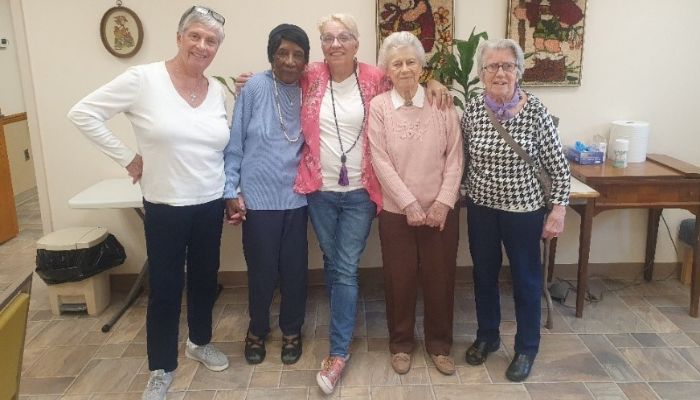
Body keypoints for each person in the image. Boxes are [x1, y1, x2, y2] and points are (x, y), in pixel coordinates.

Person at [68, 6, 229, 400]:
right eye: (195, 36)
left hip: (210, 202)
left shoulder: (217, 90)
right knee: (167, 288)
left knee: (206, 281)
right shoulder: (145, 79)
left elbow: (221, 149)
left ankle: (199, 342)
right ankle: (161, 366)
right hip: (165, 205)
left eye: (211, 41)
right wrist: (127, 156)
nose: (202, 46)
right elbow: (83, 113)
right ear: (179, 37)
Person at [290, 14, 451, 394]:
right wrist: (252, 80)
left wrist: (435, 83)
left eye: (344, 36)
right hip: (319, 189)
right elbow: (281, 73)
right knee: (334, 262)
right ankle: (343, 322)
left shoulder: (374, 77)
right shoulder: (310, 76)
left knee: (345, 267)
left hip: (362, 190)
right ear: (321, 43)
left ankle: (338, 353)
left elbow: (408, 75)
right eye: (328, 37)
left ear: (357, 43)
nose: (335, 44)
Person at [460, 38, 570, 382]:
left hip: (524, 211)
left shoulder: (535, 110)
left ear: (518, 71)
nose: (500, 72)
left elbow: (559, 167)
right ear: (481, 73)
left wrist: (558, 211)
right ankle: (488, 336)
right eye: (492, 66)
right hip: (482, 210)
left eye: (507, 65)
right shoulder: (474, 111)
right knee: (483, 276)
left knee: (525, 280)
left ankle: (526, 347)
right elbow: (462, 160)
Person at [368, 31, 463, 376]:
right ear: (387, 70)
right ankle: (401, 344)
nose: (405, 68)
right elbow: (380, 161)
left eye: (411, 61)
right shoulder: (378, 108)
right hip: (397, 213)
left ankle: (439, 345)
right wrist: (408, 204)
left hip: (440, 212)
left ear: (422, 67)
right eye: (397, 63)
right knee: (400, 279)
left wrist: (443, 203)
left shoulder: (441, 103)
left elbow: (455, 159)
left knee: (440, 278)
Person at [223, 24, 310, 366]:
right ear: (272, 55)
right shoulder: (255, 87)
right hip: (258, 200)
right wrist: (231, 189)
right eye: (283, 53)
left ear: (306, 61)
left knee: (294, 270)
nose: (290, 61)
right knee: (261, 270)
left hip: (297, 197)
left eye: (298, 55)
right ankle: (257, 329)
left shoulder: (310, 87)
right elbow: (235, 144)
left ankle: (292, 330)